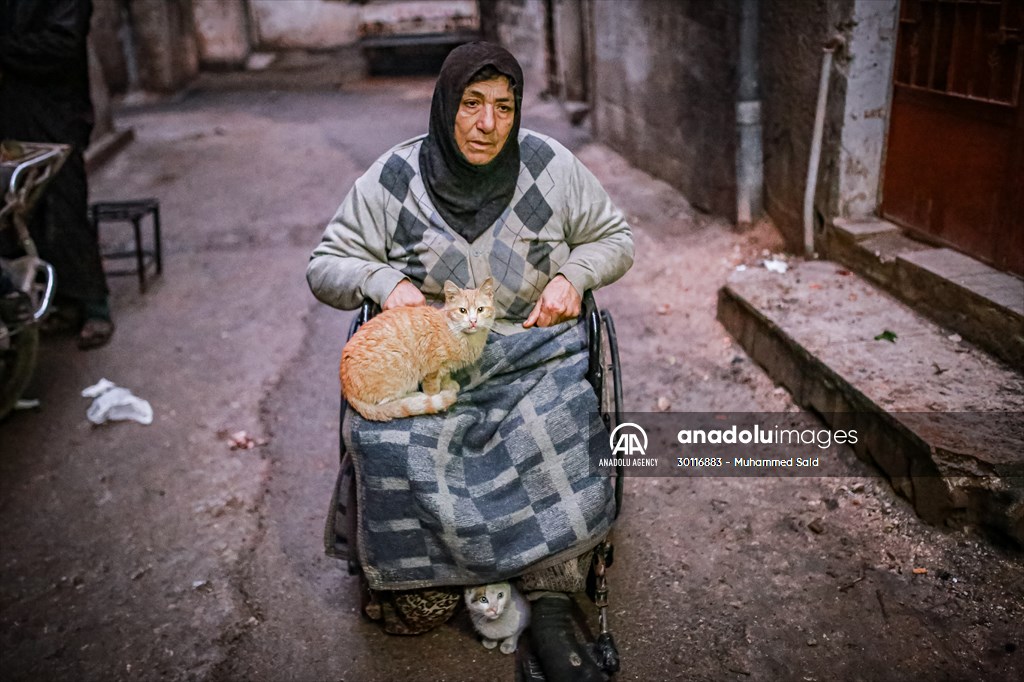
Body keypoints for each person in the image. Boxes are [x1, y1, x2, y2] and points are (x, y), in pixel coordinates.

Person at [307, 42, 632, 681]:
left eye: (503, 108)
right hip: (433, 357)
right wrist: (381, 282)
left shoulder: (550, 167)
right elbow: (325, 265)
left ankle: (546, 588)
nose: (487, 124)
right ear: (445, 106)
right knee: (390, 441)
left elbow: (613, 237)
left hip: (531, 350)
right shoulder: (392, 179)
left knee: (564, 419)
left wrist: (573, 274)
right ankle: (436, 582)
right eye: (472, 104)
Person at [0, 0, 114, 350]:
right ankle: (58, 300)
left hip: (58, 113)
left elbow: (60, 47)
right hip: (14, 114)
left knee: (66, 208)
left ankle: (95, 305)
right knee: (24, 216)